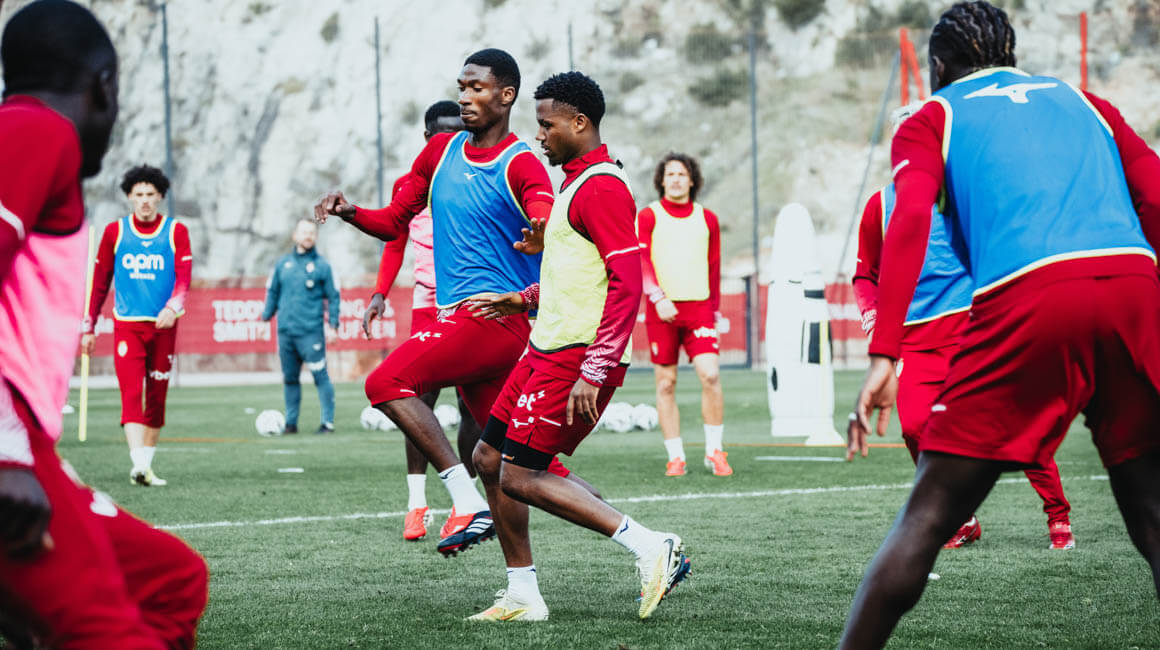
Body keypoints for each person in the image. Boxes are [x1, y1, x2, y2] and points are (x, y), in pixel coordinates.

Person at [841, 2, 1160, 647]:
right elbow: (1153, 194)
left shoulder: (933, 117)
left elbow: (909, 222)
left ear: (939, 66)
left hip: (1028, 295)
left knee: (928, 515)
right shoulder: (1086, 101)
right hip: (1133, 286)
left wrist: (883, 352)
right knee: (1150, 505)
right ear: (1009, 53)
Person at [0, 2, 207, 647]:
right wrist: (6, 452)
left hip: (29, 441)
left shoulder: (25, 135)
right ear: (104, 86)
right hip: (9, 446)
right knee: (112, 632)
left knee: (174, 581)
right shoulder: (38, 130)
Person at [466, 71, 688, 622]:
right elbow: (578, 274)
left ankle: (651, 546)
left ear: (580, 123)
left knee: (521, 475)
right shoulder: (575, 182)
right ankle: (523, 594)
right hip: (545, 346)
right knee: (489, 459)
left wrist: (596, 366)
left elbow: (626, 283)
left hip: (576, 354)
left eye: (547, 125)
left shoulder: (602, 187)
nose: (539, 135)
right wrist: (524, 298)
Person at [315, 48, 556, 555]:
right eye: (461, 87)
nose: (464, 97)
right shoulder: (440, 152)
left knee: (384, 382)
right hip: (467, 322)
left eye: (476, 88)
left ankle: (464, 502)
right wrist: (351, 212)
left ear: (506, 95)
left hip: (494, 320)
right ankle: (638, 546)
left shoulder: (522, 162)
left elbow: (544, 213)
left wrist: (541, 230)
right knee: (511, 466)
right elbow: (392, 223)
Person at [852, 112, 1075, 551]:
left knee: (1015, 423)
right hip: (915, 340)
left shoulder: (970, 195)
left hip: (975, 329)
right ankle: (961, 518)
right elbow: (864, 274)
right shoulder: (880, 205)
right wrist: (873, 316)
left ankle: (1058, 514)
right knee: (914, 427)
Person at [362, 99, 484, 541]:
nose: (451, 140)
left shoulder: (475, 178)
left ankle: (466, 502)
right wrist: (379, 292)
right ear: (428, 137)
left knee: (472, 407)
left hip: (471, 303)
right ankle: (416, 504)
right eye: (443, 133)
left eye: (459, 132)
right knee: (418, 399)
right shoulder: (409, 185)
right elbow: (395, 239)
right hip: (428, 303)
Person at [81, 163, 192, 486]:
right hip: (128, 327)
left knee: (156, 399)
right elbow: (99, 284)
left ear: (160, 197)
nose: (144, 200)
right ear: (129, 197)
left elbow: (184, 278)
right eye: (138, 194)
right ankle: (139, 464)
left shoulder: (176, 232)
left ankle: (145, 467)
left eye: (150, 194)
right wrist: (88, 327)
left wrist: (173, 306)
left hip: (164, 327)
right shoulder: (114, 233)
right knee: (131, 394)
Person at [636, 153, 730, 477]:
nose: (676, 179)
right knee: (666, 383)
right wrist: (658, 297)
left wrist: (714, 311)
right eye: (670, 174)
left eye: (681, 174)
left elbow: (714, 266)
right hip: (661, 310)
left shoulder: (708, 219)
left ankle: (715, 451)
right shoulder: (648, 216)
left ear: (692, 180)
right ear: (662, 181)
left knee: (711, 375)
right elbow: (641, 261)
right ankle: (675, 456)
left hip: (699, 310)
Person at [262, 218, 340, 435]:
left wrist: (333, 325)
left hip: (311, 333)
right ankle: (290, 424)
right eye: (304, 232)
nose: (308, 236)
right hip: (286, 332)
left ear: (315, 237)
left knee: (320, 376)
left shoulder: (323, 266)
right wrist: (265, 318)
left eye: (311, 232)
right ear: (295, 236)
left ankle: (327, 423)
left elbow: (334, 297)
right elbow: (273, 292)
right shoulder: (282, 264)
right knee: (290, 379)